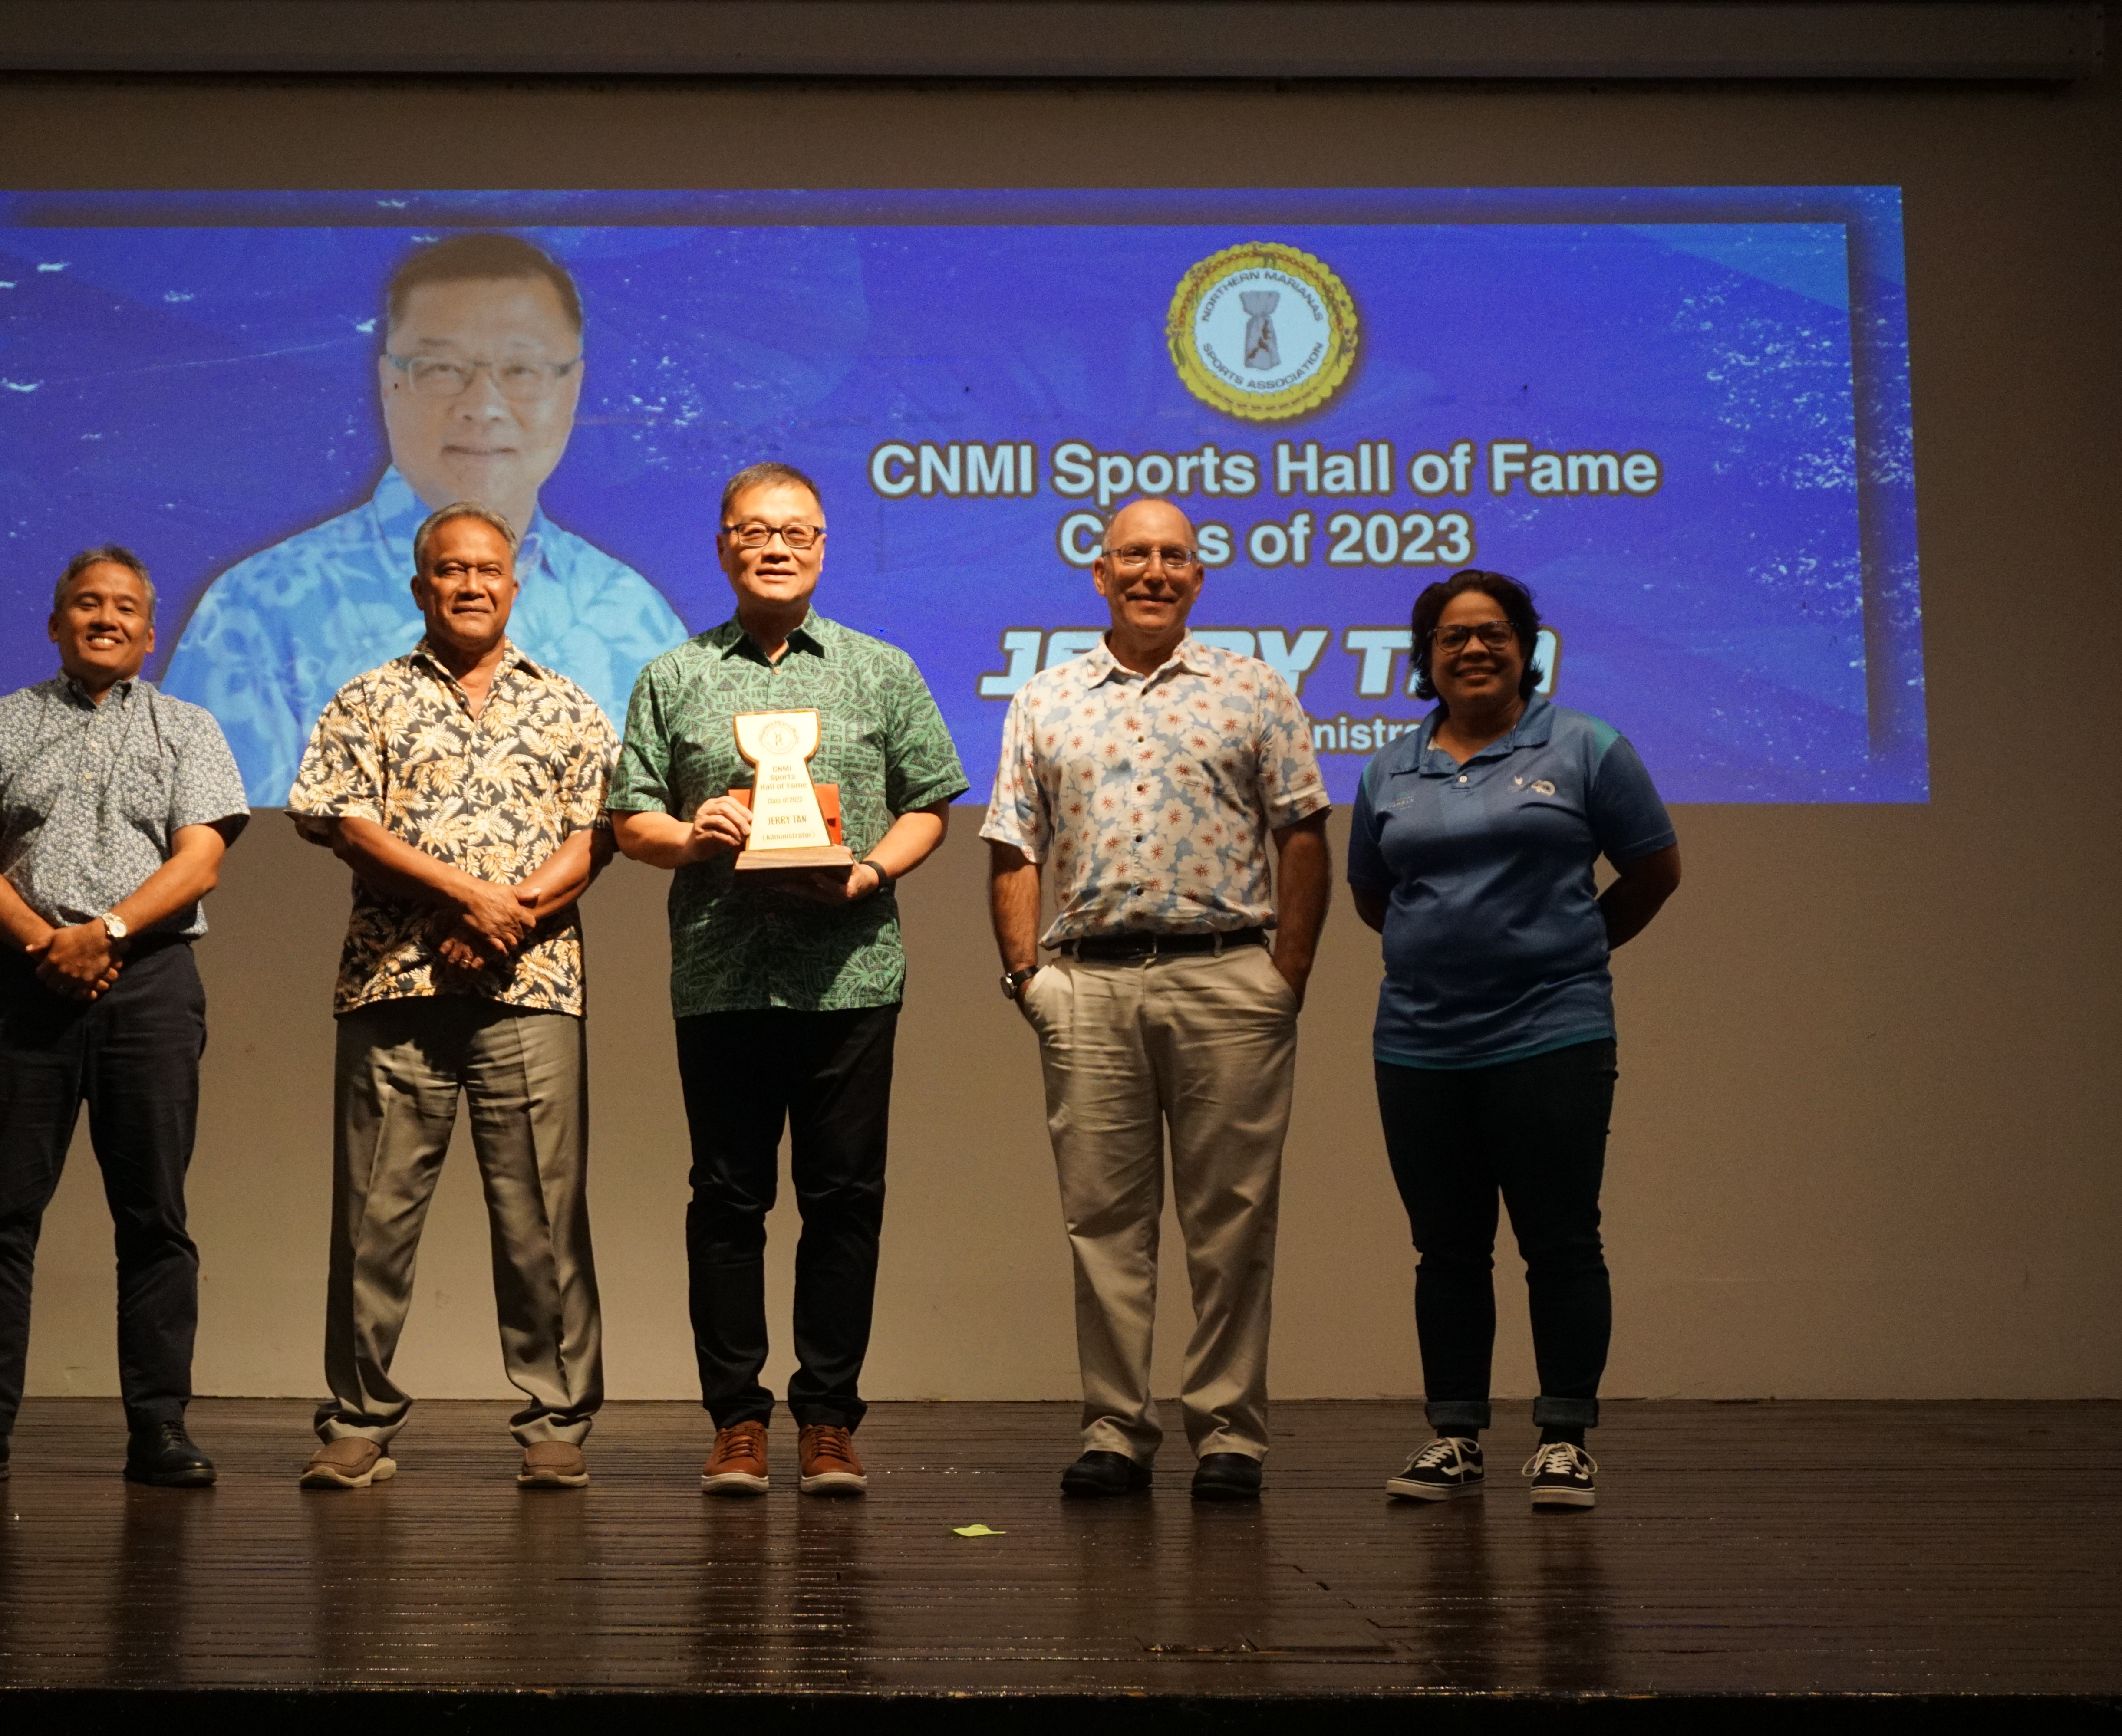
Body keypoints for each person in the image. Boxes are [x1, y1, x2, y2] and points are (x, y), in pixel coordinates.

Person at [611, 461, 967, 1499]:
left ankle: (827, 1419)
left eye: (797, 533)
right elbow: (630, 817)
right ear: (723, 544)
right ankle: (734, 1421)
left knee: (844, 1199)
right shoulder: (673, 676)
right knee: (726, 1200)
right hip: (722, 973)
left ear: (823, 547)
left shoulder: (880, 670)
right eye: (754, 531)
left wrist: (868, 870)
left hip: (850, 973)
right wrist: (691, 834)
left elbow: (931, 802)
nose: (776, 547)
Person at [984, 496, 1332, 1504]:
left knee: (1232, 1218)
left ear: (1199, 576)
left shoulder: (1254, 689)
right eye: (1133, 555)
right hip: (1086, 981)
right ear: (1098, 574)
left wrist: (1288, 974)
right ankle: (1114, 1427)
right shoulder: (1045, 696)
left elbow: (1302, 835)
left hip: (1229, 976)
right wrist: (1024, 977)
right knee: (1103, 1220)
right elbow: (1014, 843)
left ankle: (1229, 1431)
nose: (1153, 572)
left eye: (1173, 557)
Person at [0, 545, 249, 1490]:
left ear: (150, 627)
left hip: (150, 980)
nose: (105, 618)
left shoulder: (189, 727)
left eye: (125, 606)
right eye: (85, 604)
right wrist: (44, 942)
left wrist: (109, 930)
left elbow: (202, 855)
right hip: (23, 978)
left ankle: (160, 1425)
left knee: (154, 1213)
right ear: (55, 624)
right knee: (0, 1210)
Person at [286, 501, 617, 1493]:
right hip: (396, 983)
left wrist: (508, 914)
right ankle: (357, 1419)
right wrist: (468, 898)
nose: (470, 584)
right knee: (373, 1219)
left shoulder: (567, 703)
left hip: (534, 986)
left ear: (516, 584)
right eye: (449, 570)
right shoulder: (368, 698)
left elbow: (596, 834)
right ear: (420, 584)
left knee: (543, 1219)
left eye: (487, 569)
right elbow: (346, 823)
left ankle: (557, 1419)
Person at [1350, 570, 1680, 1511]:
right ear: (1426, 656)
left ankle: (1565, 1435)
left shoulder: (1587, 746)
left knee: (1562, 1239)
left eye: (1493, 633)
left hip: (1553, 1033)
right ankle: (1454, 1435)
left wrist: (1568, 951)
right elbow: (1375, 895)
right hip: (1419, 1042)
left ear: (1527, 646)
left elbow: (1654, 869)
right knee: (1446, 1248)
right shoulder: (1389, 766)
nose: (1474, 649)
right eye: (1452, 637)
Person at [165, 232, 685, 804]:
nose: (483, 406)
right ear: (388, 382)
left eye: (522, 371)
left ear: (573, 388)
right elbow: (229, 853)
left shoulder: (635, 616)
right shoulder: (256, 612)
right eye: (441, 369)